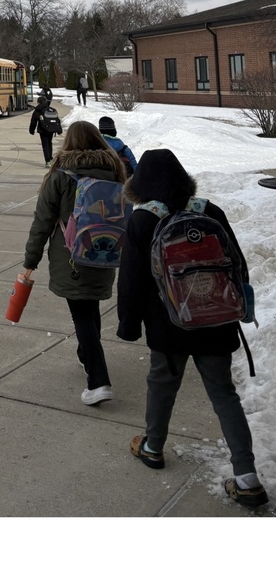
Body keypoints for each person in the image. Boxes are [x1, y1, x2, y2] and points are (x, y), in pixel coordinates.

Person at [116, 148, 269, 508]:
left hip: (168, 325)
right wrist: (241, 308)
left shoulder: (142, 221)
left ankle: (153, 447)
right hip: (216, 320)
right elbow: (238, 265)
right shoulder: (209, 212)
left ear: (141, 187)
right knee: (223, 393)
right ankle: (247, 478)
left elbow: (131, 281)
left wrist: (129, 324)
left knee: (162, 384)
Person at [20, 120, 127, 406]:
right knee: (88, 306)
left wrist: (31, 260)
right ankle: (85, 355)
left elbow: (42, 221)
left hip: (71, 255)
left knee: (81, 311)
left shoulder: (62, 175)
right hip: (106, 251)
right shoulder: (116, 171)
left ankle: (98, 380)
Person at [29, 96, 55, 167]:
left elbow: (33, 121)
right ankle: (50, 158)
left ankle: (48, 161)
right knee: (49, 143)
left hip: (42, 130)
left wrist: (31, 130)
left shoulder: (37, 110)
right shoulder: (50, 109)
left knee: (45, 145)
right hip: (51, 129)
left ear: (38, 102)